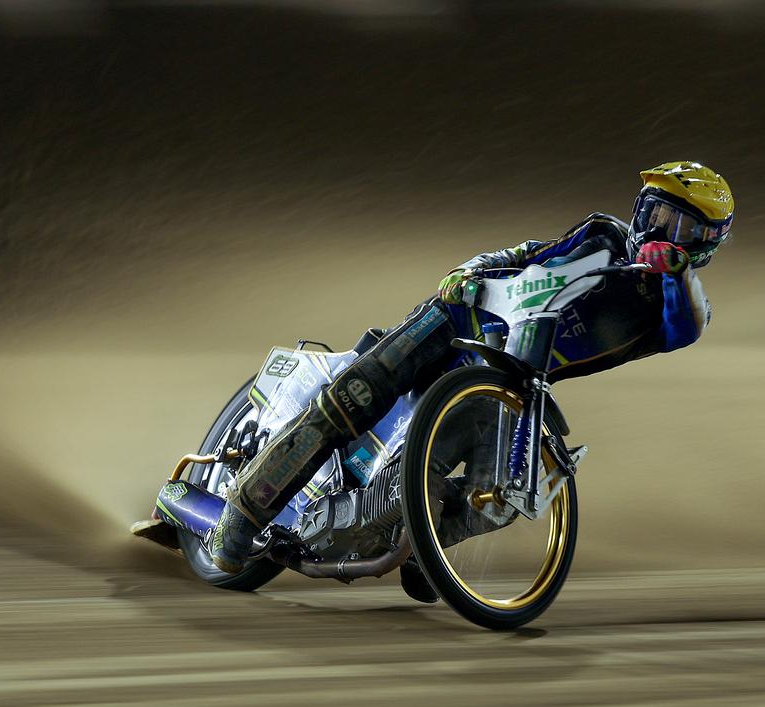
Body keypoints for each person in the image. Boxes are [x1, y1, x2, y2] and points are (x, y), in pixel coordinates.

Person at [207, 160, 734, 573]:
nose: (659, 229)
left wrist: (676, 270)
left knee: (506, 492)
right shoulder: (601, 233)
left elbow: (687, 323)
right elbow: (533, 251)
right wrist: (470, 269)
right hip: (460, 316)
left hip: (507, 379)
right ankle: (240, 516)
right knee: (356, 396)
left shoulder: (679, 311)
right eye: (654, 212)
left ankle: (423, 550)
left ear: (705, 246)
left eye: (680, 225)